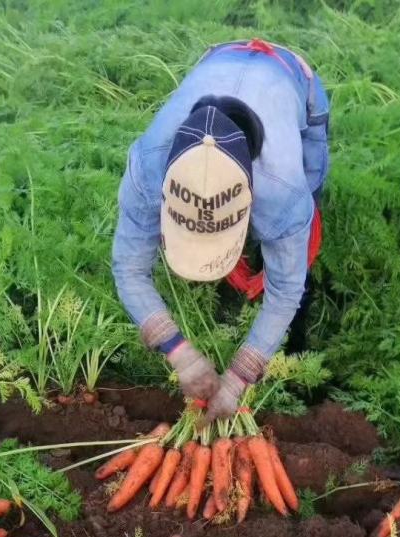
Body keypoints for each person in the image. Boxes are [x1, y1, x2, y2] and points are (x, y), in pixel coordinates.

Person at [112, 38, 329, 422]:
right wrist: (179, 353)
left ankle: (293, 342)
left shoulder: (284, 192)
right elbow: (129, 269)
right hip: (220, 60)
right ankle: (235, 293)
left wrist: (239, 377)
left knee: (295, 262)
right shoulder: (148, 167)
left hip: (291, 78)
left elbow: (284, 293)